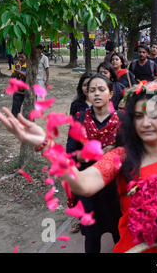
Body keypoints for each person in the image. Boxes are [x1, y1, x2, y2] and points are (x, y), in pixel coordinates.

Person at [0, 82, 157, 253]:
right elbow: (83, 184)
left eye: (155, 115)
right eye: (138, 117)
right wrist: (47, 147)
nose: (146, 123)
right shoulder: (121, 156)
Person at [66, 74, 122, 252]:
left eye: (101, 89)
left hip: (115, 189)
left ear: (111, 93)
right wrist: (87, 154)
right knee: (91, 236)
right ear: (87, 95)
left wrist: (114, 151)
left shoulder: (122, 119)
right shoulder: (79, 119)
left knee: (119, 234)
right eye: (92, 90)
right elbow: (70, 154)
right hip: (88, 188)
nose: (96, 94)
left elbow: (132, 152)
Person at [11, 52, 27, 117]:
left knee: (28, 109)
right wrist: (15, 73)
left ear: (26, 57)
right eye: (19, 57)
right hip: (18, 89)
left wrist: (19, 72)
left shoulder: (29, 64)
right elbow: (12, 77)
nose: (20, 59)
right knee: (15, 108)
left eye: (22, 57)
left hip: (27, 89)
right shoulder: (16, 64)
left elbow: (28, 76)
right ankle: (14, 122)